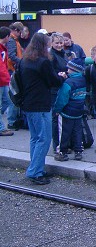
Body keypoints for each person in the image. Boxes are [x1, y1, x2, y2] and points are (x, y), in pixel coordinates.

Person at [20, 33, 66, 184]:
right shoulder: (43, 62)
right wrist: (62, 76)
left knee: (35, 138)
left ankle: (36, 167)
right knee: (44, 138)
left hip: (28, 104)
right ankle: (34, 171)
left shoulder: (24, 61)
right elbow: (53, 81)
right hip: (41, 104)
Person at [53, 58, 87, 161]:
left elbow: (62, 98)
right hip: (79, 111)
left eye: (69, 68)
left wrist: (57, 109)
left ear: (73, 69)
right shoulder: (83, 80)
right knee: (77, 131)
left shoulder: (68, 82)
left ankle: (62, 152)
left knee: (64, 132)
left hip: (67, 112)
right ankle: (78, 151)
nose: (67, 70)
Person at [49, 33, 68, 152]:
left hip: (63, 86)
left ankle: (64, 143)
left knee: (63, 117)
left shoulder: (63, 54)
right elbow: (51, 73)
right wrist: (60, 75)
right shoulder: (51, 56)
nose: (59, 45)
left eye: (61, 43)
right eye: (57, 43)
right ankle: (57, 144)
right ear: (52, 43)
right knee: (56, 118)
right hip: (55, 89)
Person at [6, 22, 24, 130]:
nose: (20, 34)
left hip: (12, 69)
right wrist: (22, 62)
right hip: (12, 70)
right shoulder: (12, 41)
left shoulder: (13, 40)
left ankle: (13, 120)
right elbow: (12, 56)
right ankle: (11, 121)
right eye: (20, 32)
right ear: (16, 30)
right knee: (14, 95)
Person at [0, 27, 14, 136]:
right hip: (2, 79)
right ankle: (1, 128)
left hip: (4, 80)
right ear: (6, 36)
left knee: (7, 101)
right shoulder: (1, 49)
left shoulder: (3, 48)